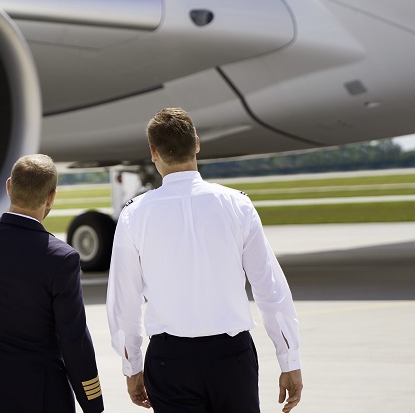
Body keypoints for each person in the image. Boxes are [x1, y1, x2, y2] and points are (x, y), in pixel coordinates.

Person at [107, 108, 304, 413]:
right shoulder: (237, 205)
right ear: (197, 143)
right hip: (232, 357)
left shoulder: (134, 215)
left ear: (153, 152)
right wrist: (289, 359)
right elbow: (269, 288)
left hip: (169, 360)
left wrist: (131, 366)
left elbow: (124, 302)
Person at [0, 154, 105, 413]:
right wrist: (93, 402)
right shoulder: (61, 258)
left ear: (9, 186)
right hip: (38, 394)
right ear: (51, 197)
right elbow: (73, 338)